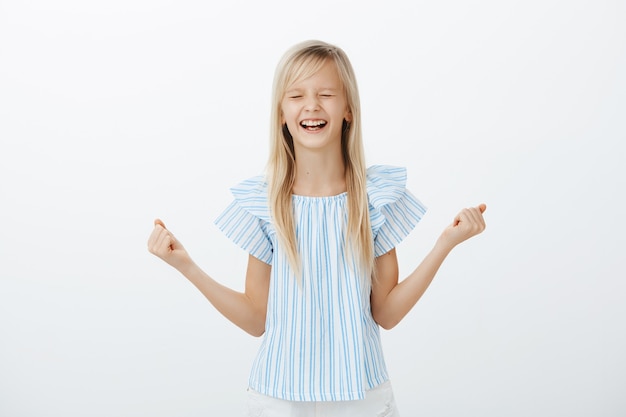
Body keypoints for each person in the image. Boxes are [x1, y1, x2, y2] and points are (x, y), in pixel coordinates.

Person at [147, 40, 486, 417]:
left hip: (364, 398)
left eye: (326, 93)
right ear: (281, 113)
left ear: (348, 111)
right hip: (279, 400)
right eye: (296, 95)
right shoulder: (265, 203)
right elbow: (256, 319)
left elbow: (387, 313)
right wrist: (186, 266)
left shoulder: (374, 198)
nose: (311, 105)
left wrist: (445, 243)